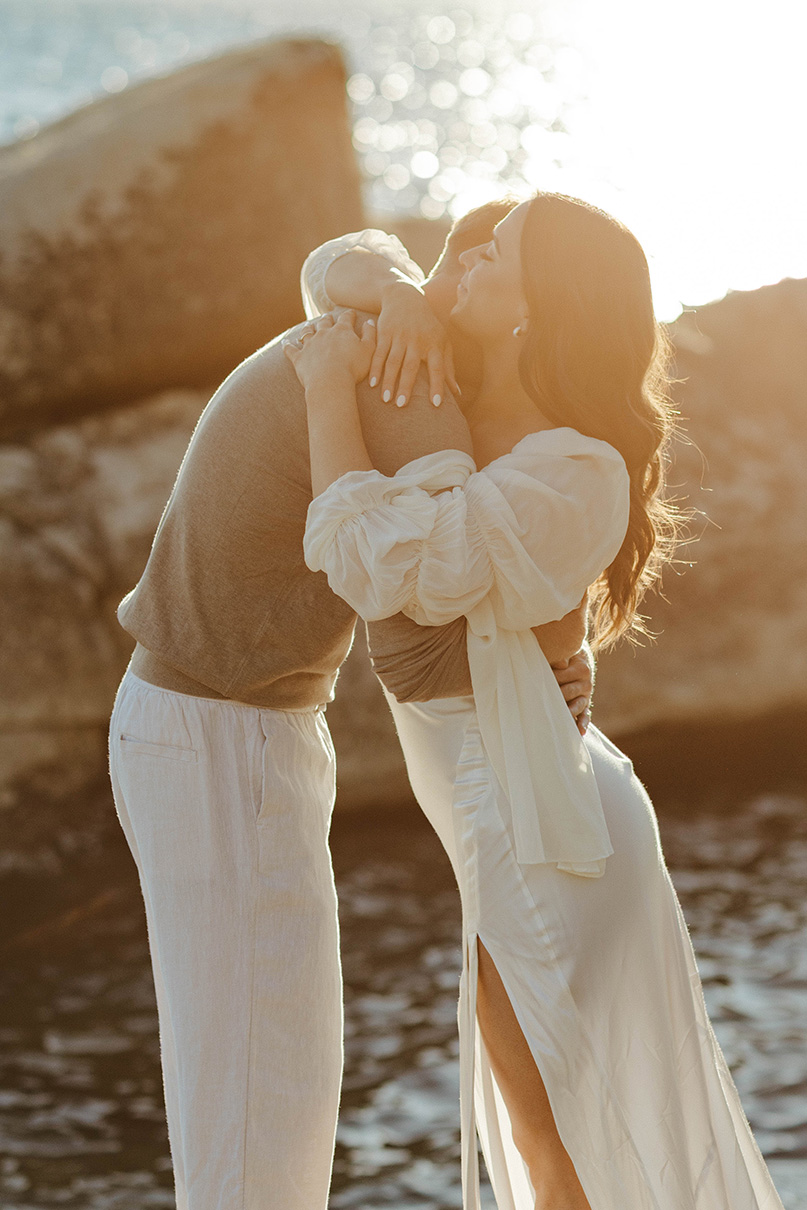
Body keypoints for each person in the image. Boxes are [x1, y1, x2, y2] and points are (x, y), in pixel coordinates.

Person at [287, 194, 786, 1210]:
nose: (459, 264)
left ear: (535, 308)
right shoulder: (444, 385)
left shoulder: (578, 465)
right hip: (508, 811)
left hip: (548, 827)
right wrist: (394, 294)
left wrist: (327, 396)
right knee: (540, 1132)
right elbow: (327, 264)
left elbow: (382, 564)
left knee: (566, 1140)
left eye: (490, 257)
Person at [106, 202, 593, 1210]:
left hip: (225, 722)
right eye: (462, 257)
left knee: (265, 1076)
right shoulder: (406, 373)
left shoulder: (384, 328)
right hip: (220, 732)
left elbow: (346, 254)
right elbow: (424, 608)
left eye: (484, 261)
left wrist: (400, 288)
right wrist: (562, 652)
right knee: (255, 1092)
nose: (459, 277)